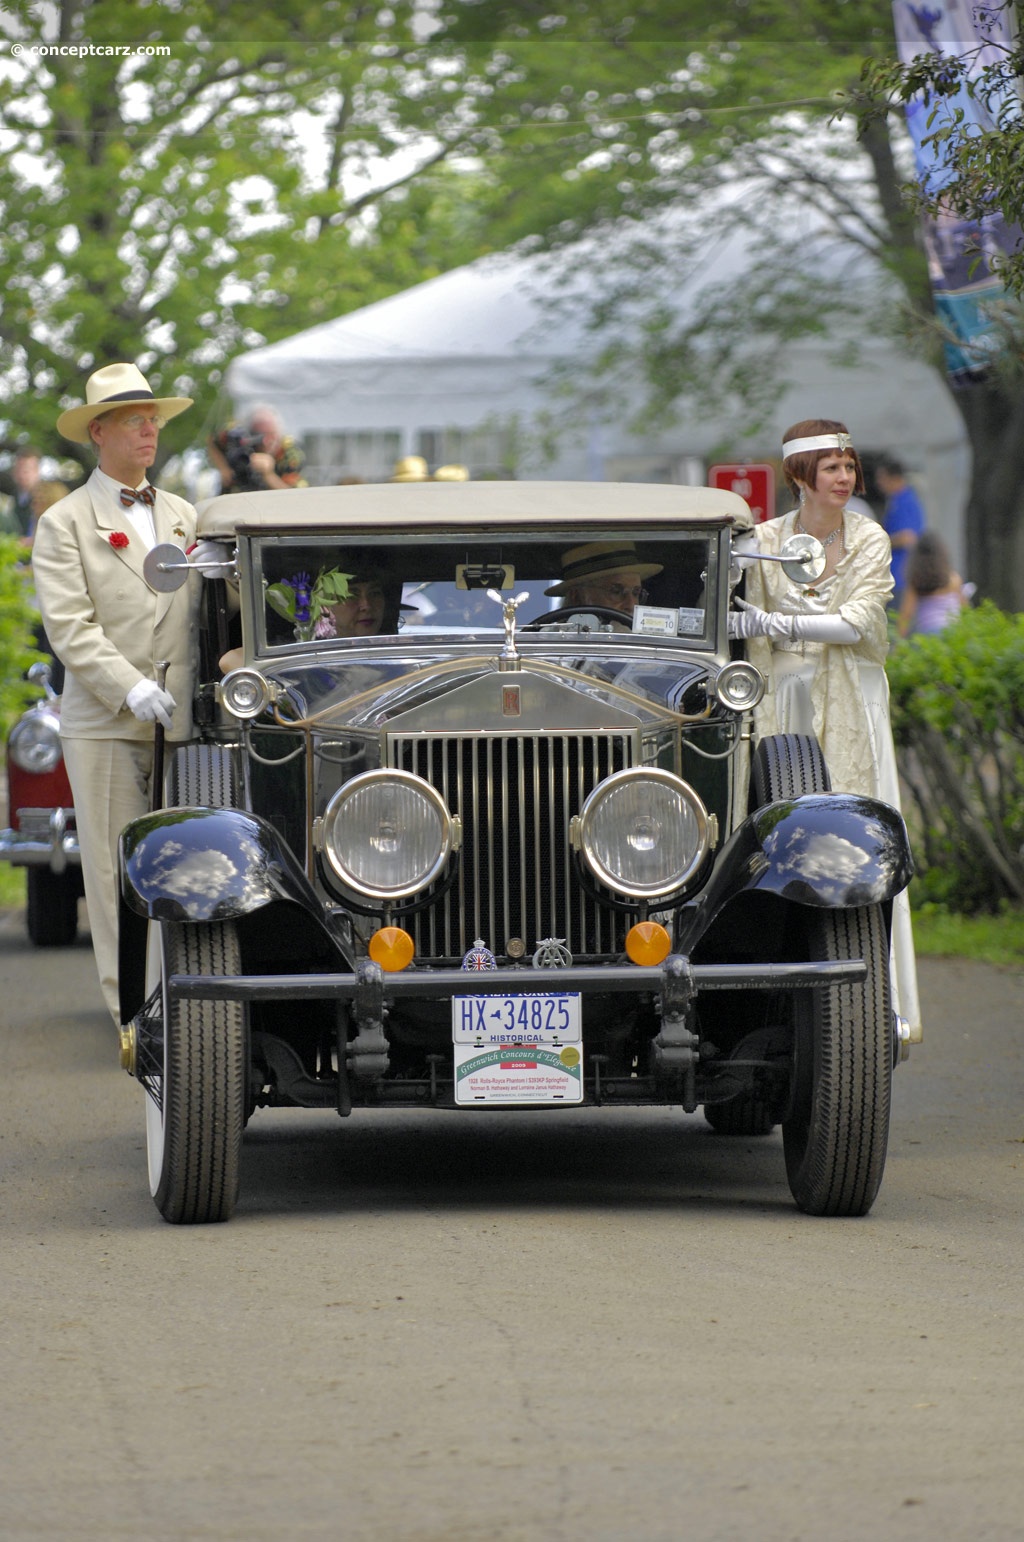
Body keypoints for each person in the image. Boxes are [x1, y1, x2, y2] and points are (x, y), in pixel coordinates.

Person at [729, 417, 920, 1040]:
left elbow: (858, 623)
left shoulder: (868, 537)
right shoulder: (758, 539)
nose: (846, 477)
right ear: (799, 475)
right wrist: (755, 620)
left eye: (850, 466)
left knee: (858, 836)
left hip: (851, 699)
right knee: (780, 832)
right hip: (780, 697)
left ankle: (873, 1003)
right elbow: (731, 616)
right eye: (832, 467)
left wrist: (772, 622)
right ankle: (773, 996)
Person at [30, 363, 200, 1029]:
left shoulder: (185, 514)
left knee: (188, 871)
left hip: (183, 721)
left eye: (153, 418)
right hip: (103, 722)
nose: (149, 429)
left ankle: (190, 1012)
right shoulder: (64, 522)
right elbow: (69, 628)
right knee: (114, 877)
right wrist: (130, 687)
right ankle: (136, 1019)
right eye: (134, 419)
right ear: (98, 432)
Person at [544, 541, 663, 619]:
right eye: (616, 591)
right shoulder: (549, 646)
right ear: (577, 597)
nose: (631, 605)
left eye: (636, 593)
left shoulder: (649, 649)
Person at [209, 404, 305, 493]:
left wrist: (269, 475)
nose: (266, 441)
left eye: (272, 435)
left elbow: (293, 497)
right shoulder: (235, 437)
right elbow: (212, 441)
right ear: (249, 433)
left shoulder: (290, 454)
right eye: (259, 436)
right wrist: (224, 468)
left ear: (279, 433)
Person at [897, 531, 970, 637]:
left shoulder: (916, 582)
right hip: (953, 633)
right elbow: (965, 610)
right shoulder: (953, 579)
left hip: (928, 636)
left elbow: (905, 616)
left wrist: (898, 647)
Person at [875, 455, 927, 606]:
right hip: (895, 575)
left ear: (894, 478)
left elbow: (907, 537)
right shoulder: (896, 500)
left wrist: (878, 542)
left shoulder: (905, 501)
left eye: (882, 478)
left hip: (901, 575)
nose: (878, 483)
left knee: (897, 624)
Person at [0, 445, 41, 539]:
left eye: (27, 470)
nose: (22, 474)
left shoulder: (45, 498)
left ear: (37, 472)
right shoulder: (12, 498)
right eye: (19, 469)